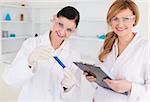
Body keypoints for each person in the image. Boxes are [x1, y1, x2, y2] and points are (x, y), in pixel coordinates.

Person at [2, 6, 82, 102]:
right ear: (54, 20)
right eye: (60, 24)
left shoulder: (74, 56)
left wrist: (68, 89)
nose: (62, 32)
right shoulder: (31, 44)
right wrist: (29, 62)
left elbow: (75, 97)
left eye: (69, 30)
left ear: (74, 31)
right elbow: (10, 79)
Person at [84, 0, 150, 102]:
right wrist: (94, 79)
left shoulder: (145, 48)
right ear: (110, 21)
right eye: (115, 19)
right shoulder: (107, 44)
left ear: (134, 19)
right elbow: (101, 84)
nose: (120, 24)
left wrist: (130, 87)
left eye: (126, 19)